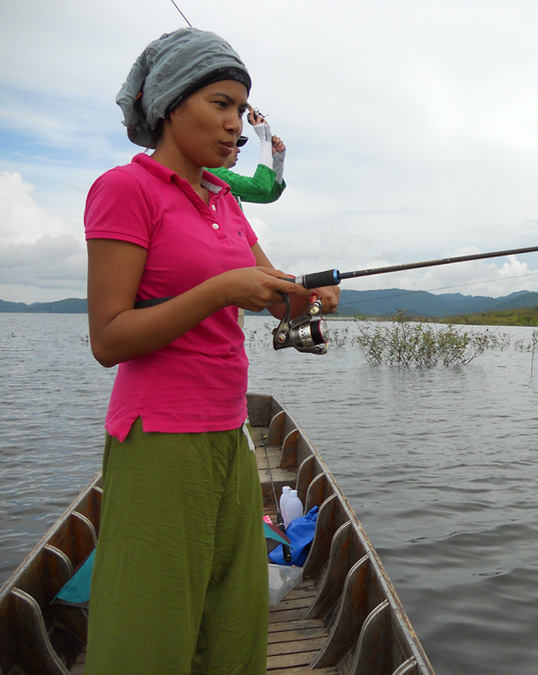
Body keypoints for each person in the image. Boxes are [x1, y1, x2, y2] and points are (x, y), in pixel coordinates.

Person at [83, 27, 338, 673]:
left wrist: (305, 299)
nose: (235, 126)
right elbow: (109, 338)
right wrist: (221, 288)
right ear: (171, 103)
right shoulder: (125, 189)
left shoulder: (226, 198)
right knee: (150, 623)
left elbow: (271, 291)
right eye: (220, 104)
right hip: (160, 435)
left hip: (228, 431)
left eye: (239, 110)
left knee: (235, 613)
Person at [206, 108, 287, 205]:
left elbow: (270, 194)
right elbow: (261, 187)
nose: (238, 150)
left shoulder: (214, 175)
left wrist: (277, 161)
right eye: (234, 144)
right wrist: (265, 138)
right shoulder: (211, 173)